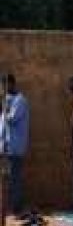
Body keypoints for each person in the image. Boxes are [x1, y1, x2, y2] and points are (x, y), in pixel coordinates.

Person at [0, 74, 30, 214]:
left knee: (14, 178)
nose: (3, 89)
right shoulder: (8, 100)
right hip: (5, 146)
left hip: (15, 147)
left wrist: (4, 106)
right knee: (6, 178)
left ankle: (15, 207)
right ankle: (7, 206)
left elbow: (11, 119)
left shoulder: (19, 101)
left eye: (4, 85)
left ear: (11, 84)